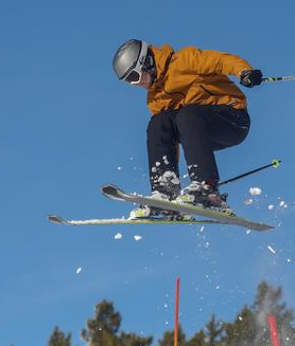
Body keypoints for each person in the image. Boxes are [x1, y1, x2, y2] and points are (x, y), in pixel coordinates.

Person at [111, 39, 263, 217]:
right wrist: (171, 175)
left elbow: (221, 60)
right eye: (129, 82)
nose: (135, 84)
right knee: (158, 122)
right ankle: (165, 191)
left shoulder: (183, 60)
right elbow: (167, 139)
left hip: (232, 120)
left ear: (147, 62)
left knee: (187, 114)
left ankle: (207, 188)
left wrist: (244, 72)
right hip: (201, 136)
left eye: (134, 77)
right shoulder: (154, 99)